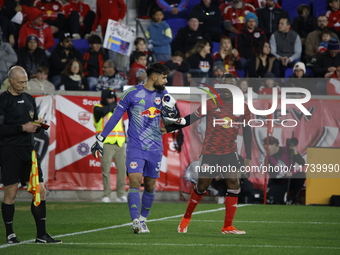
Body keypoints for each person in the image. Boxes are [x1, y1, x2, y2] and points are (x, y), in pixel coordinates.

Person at [163, 73, 252, 234]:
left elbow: (247, 132)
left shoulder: (243, 107)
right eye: (223, 85)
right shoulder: (210, 104)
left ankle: (227, 226)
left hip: (230, 151)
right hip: (210, 152)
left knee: (234, 184)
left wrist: (249, 157)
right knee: (202, 186)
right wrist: (169, 128)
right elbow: (190, 118)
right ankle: (186, 218)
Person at [91, 62, 170, 234]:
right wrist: (101, 138)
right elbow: (115, 117)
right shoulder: (132, 93)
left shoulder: (163, 93)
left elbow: (170, 117)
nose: (166, 81)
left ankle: (143, 220)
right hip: (135, 146)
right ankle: (135, 221)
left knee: (149, 185)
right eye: (164, 77)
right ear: (154, 77)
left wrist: (168, 126)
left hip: (155, 147)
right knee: (135, 180)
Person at [0, 66, 61, 244]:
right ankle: (10, 234)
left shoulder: (29, 99)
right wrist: (22, 128)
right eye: (21, 82)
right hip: (9, 151)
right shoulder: (3, 101)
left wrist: (37, 123)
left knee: (40, 191)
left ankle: (41, 235)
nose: (24, 85)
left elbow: (30, 121)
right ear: (10, 81)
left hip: (29, 151)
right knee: (10, 193)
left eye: (26, 81)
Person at [93, 89, 127, 203]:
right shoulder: (97, 108)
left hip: (120, 143)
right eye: (109, 98)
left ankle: (121, 194)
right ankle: (106, 194)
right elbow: (102, 112)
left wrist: (125, 139)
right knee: (106, 169)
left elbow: (122, 125)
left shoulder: (117, 109)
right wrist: (116, 104)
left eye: (113, 98)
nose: (112, 100)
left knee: (122, 170)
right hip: (106, 143)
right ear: (104, 98)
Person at [264, 136, 306, 205]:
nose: (267, 151)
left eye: (268, 149)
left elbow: (302, 162)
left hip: (290, 180)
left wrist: (295, 151)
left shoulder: (288, 150)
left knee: (301, 175)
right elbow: (272, 175)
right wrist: (283, 174)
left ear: (274, 145)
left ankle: (292, 198)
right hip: (278, 181)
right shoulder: (268, 158)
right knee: (274, 200)